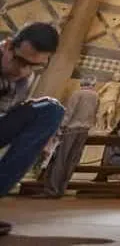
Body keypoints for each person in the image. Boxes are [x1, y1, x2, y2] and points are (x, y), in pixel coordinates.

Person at [0, 23, 62, 236]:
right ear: (8, 46)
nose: (23, 71)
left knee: (51, 110)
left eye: (33, 66)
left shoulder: (25, 78)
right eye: (20, 61)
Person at [41, 75, 99, 198]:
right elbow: (95, 114)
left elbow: (69, 113)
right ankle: (62, 189)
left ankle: (52, 190)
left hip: (71, 130)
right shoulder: (96, 96)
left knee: (60, 160)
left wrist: (60, 128)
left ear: (82, 82)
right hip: (84, 131)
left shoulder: (77, 94)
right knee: (72, 161)